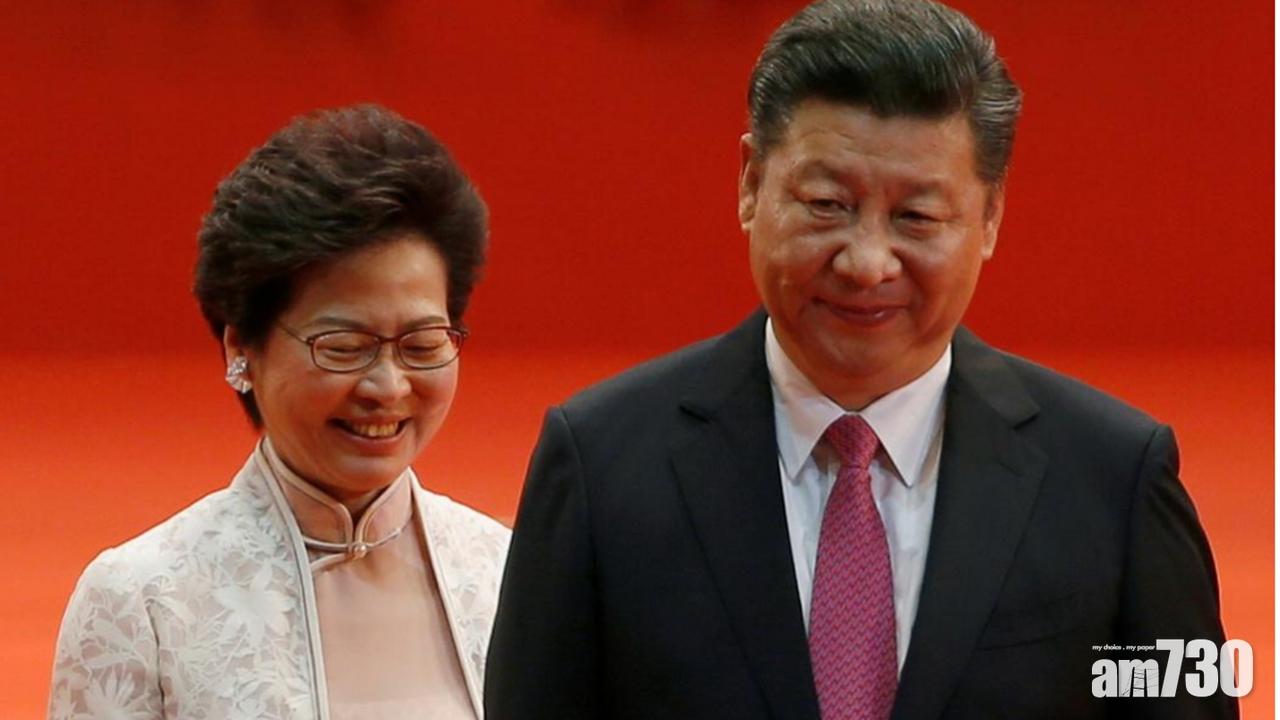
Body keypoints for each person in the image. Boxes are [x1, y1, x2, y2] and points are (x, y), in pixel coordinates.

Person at [485, 1, 1236, 718]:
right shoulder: (601, 466)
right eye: (827, 205)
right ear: (751, 184)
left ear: (990, 217)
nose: (867, 262)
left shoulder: (1114, 480)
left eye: (917, 216)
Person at [49, 105, 508, 719]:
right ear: (242, 349)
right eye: (343, 347)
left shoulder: (506, 573)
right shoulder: (144, 602)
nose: (388, 385)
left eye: (422, 345)